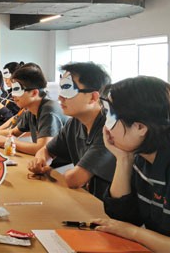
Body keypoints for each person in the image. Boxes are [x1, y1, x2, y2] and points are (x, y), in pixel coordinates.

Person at [91, 76, 170, 252]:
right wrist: (123, 159)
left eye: (111, 117)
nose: (106, 128)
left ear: (140, 127)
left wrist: (133, 232)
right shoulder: (145, 151)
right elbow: (122, 218)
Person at [28, 62, 115, 199]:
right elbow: (46, 150)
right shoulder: (75, 123)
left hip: (106, 207)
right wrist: (40, 161)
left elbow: (74, 179)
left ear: (93, 97)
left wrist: (49, 170)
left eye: (68, 89)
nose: (60, 97)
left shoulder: (110, 128)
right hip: (86, 199)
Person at [0, 64, 68, 164]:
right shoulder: (31, 109)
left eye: (17, 90)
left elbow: (43, 148)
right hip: (45, 163)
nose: (12, 95)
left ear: (34, 93)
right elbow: (13, 132)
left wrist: (7, 141)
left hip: (60, 168)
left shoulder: (49, 110)